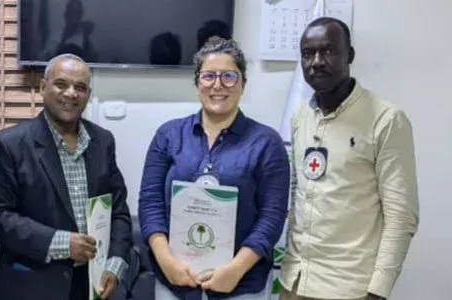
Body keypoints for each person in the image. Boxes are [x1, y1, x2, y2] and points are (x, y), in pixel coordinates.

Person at [138, 38, 290, 300]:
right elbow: (150, 203)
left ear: (243, 83)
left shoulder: (267, 143)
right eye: (209, 76)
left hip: (240, 286)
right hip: (174, 284)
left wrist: (234, 270)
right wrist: (167, 262)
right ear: (197, 83)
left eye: (229, 76)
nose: (218, 85)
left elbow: (272, 217)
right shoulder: (168, 135)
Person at [280, 17, 419, 300]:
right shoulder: (301, 116)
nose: (316, 61)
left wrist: (378, 290)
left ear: (350, 55)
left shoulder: (386, 120)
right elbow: (298, 192)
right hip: (294, 280)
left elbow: (401, 216)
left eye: (328, 51)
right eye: (308, 53)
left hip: (349, 288)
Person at [0, 53, 132, 300]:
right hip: (30, 288)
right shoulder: (7, 145)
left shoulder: (103, 141)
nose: (71, 93)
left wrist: (115, 264)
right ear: (43, 87)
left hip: (91, 285)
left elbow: (118, 211)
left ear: (88, 94)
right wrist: (62, 243)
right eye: (61, 84)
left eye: (80, 87)